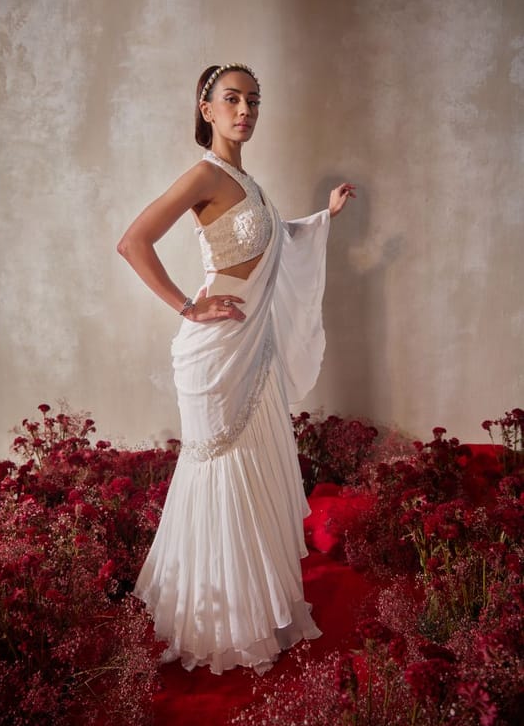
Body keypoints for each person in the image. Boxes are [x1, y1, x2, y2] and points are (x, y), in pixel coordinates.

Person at [117, 63, 355, 675]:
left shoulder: (247, 181)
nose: (245, 109)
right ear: (207, 109)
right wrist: (188, 306)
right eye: (232, 99)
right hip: (218, 349)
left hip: (255, 346)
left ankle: (255, 609)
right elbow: (133, 242)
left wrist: (324, 217)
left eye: (253, 99)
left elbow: (273, 243)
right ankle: (215, 620)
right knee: (218, 473)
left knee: (251, 468)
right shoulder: (205, 174)